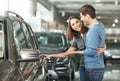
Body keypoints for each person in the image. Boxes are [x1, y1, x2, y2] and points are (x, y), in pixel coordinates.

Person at [41, 16, 106, 81]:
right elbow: (67, 54)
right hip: (83, 66)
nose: (76, 25)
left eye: (77, 22)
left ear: (80, 21)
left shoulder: (91, 31)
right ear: (71, 27)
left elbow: (103, 44)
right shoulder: (77, 38)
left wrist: (103, 49)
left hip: (95, 66)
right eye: (73, 24)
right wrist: (50, 55)